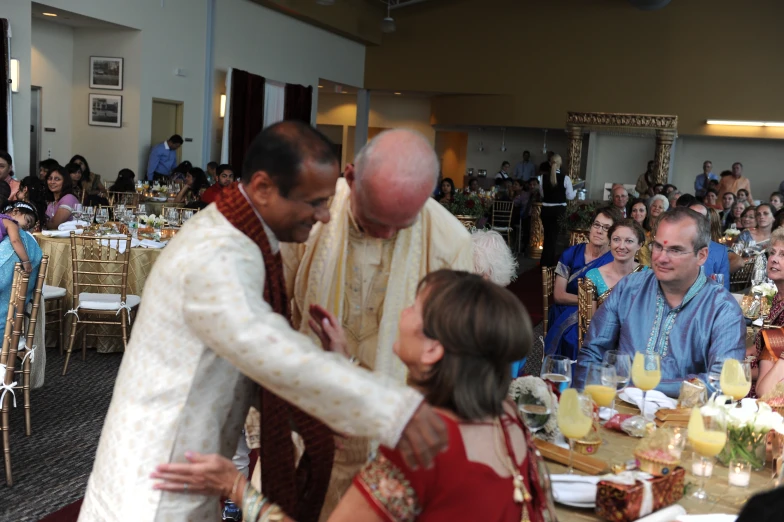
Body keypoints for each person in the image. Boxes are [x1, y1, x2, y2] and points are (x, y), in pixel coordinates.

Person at [78, 122, 450, 522]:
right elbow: (262, 342)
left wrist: (312, 415)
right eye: (315, 202)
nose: (326, 216)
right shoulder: (217, 252)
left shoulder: (244, 238)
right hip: (154, 487)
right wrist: (395, 409)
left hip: (183, 467)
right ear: (262, 188)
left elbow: (242, 364)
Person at [151, 270, 558, 522]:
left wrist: (236, 487)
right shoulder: (507, 418)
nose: (402, 312)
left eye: (414, 306)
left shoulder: (416, 457)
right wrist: (345, 365)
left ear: (433, 349)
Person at [280, 128, 474, 519]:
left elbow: (456, 364)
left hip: (393, 440)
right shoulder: (307, 215)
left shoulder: (450, 241)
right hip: (303, 419)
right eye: (374, 219)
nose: (385, 234)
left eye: (400, 225)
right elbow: (271, 313)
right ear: (351, 178)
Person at [577, 207, 746, 397]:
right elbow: (593, 354)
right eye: (657, 246)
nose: (661, 258)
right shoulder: (629, 288)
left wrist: (644, 388)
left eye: (675, 250)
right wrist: (586, 406)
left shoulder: (722, 309)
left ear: (702, 256)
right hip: (616, 413)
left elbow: (722, 381)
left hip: (684, 420)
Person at [544, 207, 618, 359]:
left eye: (606, 228)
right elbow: (558, 295)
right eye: (596, 225)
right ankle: (564, 375)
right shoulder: (570, 253)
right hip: (565, 309)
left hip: (599, 314)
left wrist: (594, 308)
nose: (599, 231)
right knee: (573, 337)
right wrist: (589, 303)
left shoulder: (613, 260)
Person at [0, 202, 43, 339]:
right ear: (15, 211)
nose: (27, 227)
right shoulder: (10, 223)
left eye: (30, 227)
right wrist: (26, 261)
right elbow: (15, 241)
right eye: (28, 221)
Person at [586, 219, 646, 305]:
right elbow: (591, 318)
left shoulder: (648, 276)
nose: (621, 246)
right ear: (610, 242)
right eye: (616, 239)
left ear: (639, 245)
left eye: (629, 241)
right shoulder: (594, 276)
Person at [754, 229, 784, 397]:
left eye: (783, 255)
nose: (773, 258)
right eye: (772, 253)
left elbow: (765, 392)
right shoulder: (778, 299)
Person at [540, 154, 576, 267]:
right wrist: (576, 191)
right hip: (559, 210)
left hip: (546, 209)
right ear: (560, 164)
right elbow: (570, 196)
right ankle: (549, 263)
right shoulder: (565, 178)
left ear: (550, 163)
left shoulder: (542, 177)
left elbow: (542, 194)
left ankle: (545, 262)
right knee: (554, 237)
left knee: (547, 236)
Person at [686, 202, 731, 290]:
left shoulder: (720, 252)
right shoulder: (671, 246)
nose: (693, 220)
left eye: (699, 217)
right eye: (690, 216)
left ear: (707, 223)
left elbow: (723, 291)